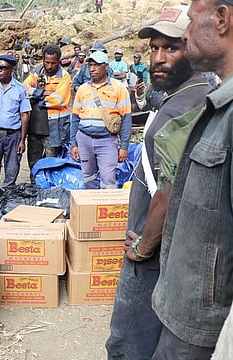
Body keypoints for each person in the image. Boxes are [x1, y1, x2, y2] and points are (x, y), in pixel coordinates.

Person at [105, 4, 212, 359]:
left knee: (129, 342)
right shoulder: (195, 95)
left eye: (171, 48)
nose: (159, 58)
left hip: (151, 254)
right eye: (154, 48)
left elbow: (168, 192)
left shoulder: (181, 108)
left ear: (194, 47)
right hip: (174, 250)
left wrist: (143, 245)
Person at [149, 0, 233, 358]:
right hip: (189, 311)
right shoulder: (219, 106)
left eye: (193, 18)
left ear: (222, 19)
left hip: (205, 323)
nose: (185, 33)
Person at [70, 50, 132, 189]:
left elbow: (126, 118)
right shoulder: (82, 89)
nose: (92, 69)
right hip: (84, 139)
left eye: (96, 65)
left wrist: (124, 147)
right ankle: (90, 208)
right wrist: (74, 143)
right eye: (90, 65)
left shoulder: (118, 88)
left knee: (108, 179)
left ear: (106, 67)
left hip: (107, 141)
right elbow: (75, 118)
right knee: (88, 177)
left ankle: (107, 209)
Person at [23, 43, 72, 182]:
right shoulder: (36, 72)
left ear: (58, 61)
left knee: (51, 162)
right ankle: (34, 186)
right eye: (47, 62)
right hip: (34, 128)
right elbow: (24, 88)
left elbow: (60, 100)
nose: (49, 66)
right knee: (33, 160)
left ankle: (50, 188)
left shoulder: (64, 77)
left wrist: (35, 97)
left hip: (52, 129)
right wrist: (43, 92)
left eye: (53, 63)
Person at [0, 54, 31, 188]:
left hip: (13, 136)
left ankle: (8, 198)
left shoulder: (20, 89)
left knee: (11, 170)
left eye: (3, 68)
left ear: (12, 70)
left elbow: (25, 115)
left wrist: (22, 139)